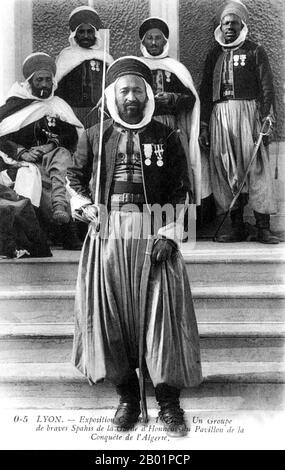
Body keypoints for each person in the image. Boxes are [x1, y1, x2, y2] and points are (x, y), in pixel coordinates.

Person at [67, 57, 202, 437]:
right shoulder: (94, 135)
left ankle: (169, 403)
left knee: (162, 321)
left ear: (148, 96)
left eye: (138, 91)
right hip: (107, 236)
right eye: (124, 90)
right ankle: (127, 398)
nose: (131, 97)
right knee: (111, 320)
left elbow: (183, 190)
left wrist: (169, 234)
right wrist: (83, 204)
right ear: (112, 94)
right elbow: (74, 178)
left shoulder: (167, 136)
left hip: (154, 236)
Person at [199, 0, 279, 244]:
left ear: (242, 25)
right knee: (226, 170)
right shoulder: (214, 54)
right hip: (220, 117)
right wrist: (204, 125)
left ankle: (262, 227)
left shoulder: (255, 50)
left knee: (255, 168)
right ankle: (236, 226)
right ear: (220, 27)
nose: (229, 27)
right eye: (225, 23)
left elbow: (267, 88)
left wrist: (266, 119)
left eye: (234, 23)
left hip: (248, 114)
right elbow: (204, 92)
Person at [0, 52, 84, 249]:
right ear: (30, 82)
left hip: (56, 158)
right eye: (40, 80)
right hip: (24, 160)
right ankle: (57, 229)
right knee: (37, 179)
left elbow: (72, 135)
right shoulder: (15, 105)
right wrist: (22, 152)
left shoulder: (58, 105)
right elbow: (3, 138)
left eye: (48, 80)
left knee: (62, 168)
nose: (45, 84)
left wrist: (50, 145)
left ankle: (64, 221)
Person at [138, 16, 212, 218]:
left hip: (172, 128)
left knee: (175, 170)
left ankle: (178, 217)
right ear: (143, 42)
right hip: (145, 128)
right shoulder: (136, 68)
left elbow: (191, 99)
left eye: (158, 38)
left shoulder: (176, 68)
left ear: (165, 42)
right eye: (149, 38)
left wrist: (173, 98)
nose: (154, 42)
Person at [55, 5, 113, 126]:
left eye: (89, 31)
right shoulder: (66, 56)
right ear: (74, 34)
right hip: (71, 114)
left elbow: (112, 86)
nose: (86, 35)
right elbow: (56, 89)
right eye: (81, 32)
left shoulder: (105, 58)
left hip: (99, 114)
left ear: (95, 33)